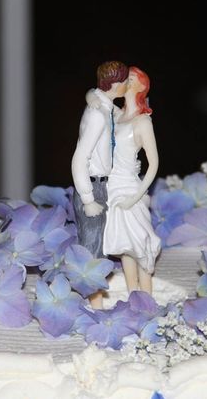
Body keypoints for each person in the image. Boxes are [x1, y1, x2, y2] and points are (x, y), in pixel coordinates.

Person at [71, 61, 128, 309]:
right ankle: (94, 307)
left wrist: (91, 93)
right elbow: (79, 158)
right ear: (115, 84)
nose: (126, 86)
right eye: (124, 82)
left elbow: (121, 114)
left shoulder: (105, 106)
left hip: (102, 185)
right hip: (92, 187)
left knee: (99, 244)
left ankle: (93, 302)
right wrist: (87, 198)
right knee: (92, 249)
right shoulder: (96, 115)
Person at [102, 66, 161, 295]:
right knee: (125, 245)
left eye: (132, 77)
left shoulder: (142, 121)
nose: (127, 79)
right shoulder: (116, 115)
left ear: (141, 86)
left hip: (129, 187)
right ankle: (132, 294)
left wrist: (136, 197)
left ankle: (146, 298)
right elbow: (95, 97)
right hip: (112, 185)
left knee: (140, 243)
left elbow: (153, 164)